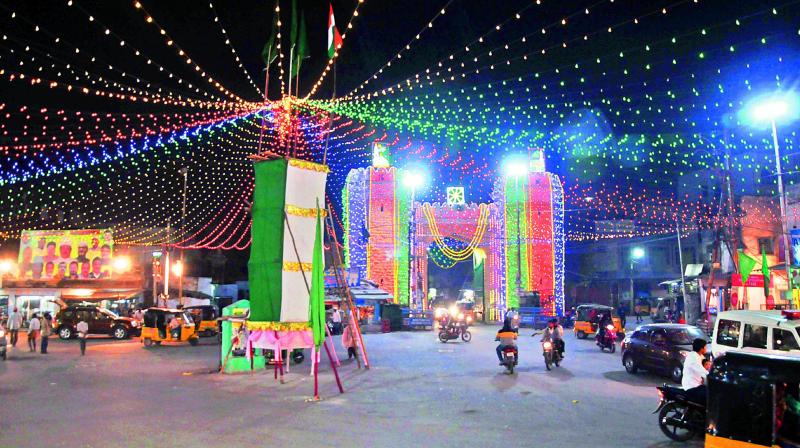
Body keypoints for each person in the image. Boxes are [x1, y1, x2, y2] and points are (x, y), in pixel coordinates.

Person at [682, 338, 710, 404]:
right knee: (711, 396)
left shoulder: (698, 355)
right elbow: (702, 371)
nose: (706, 348)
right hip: (692, 386)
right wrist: (711, 376)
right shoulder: (693, 357)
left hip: (696, 384)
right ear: (701, 348)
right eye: (705, 347)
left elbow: (707, 365)